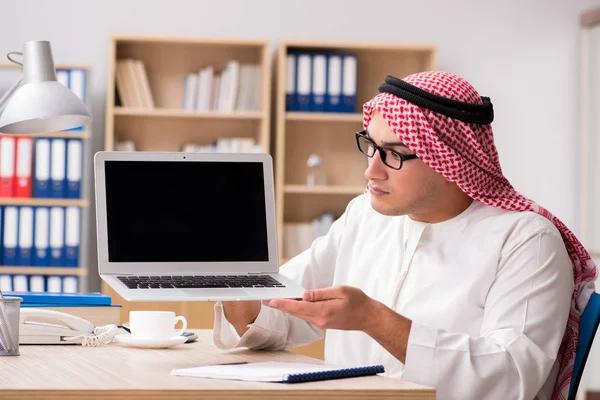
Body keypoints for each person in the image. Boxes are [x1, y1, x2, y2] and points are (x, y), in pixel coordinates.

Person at [212, 71, 597, 400]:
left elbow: (510, 378)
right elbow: (289, 308)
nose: (372, 172)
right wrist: (238, 291)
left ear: (449, 161)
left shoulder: (526, 241)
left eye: (394, 154)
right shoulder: (366, 214)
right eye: (371, 147)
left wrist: (373, 319)